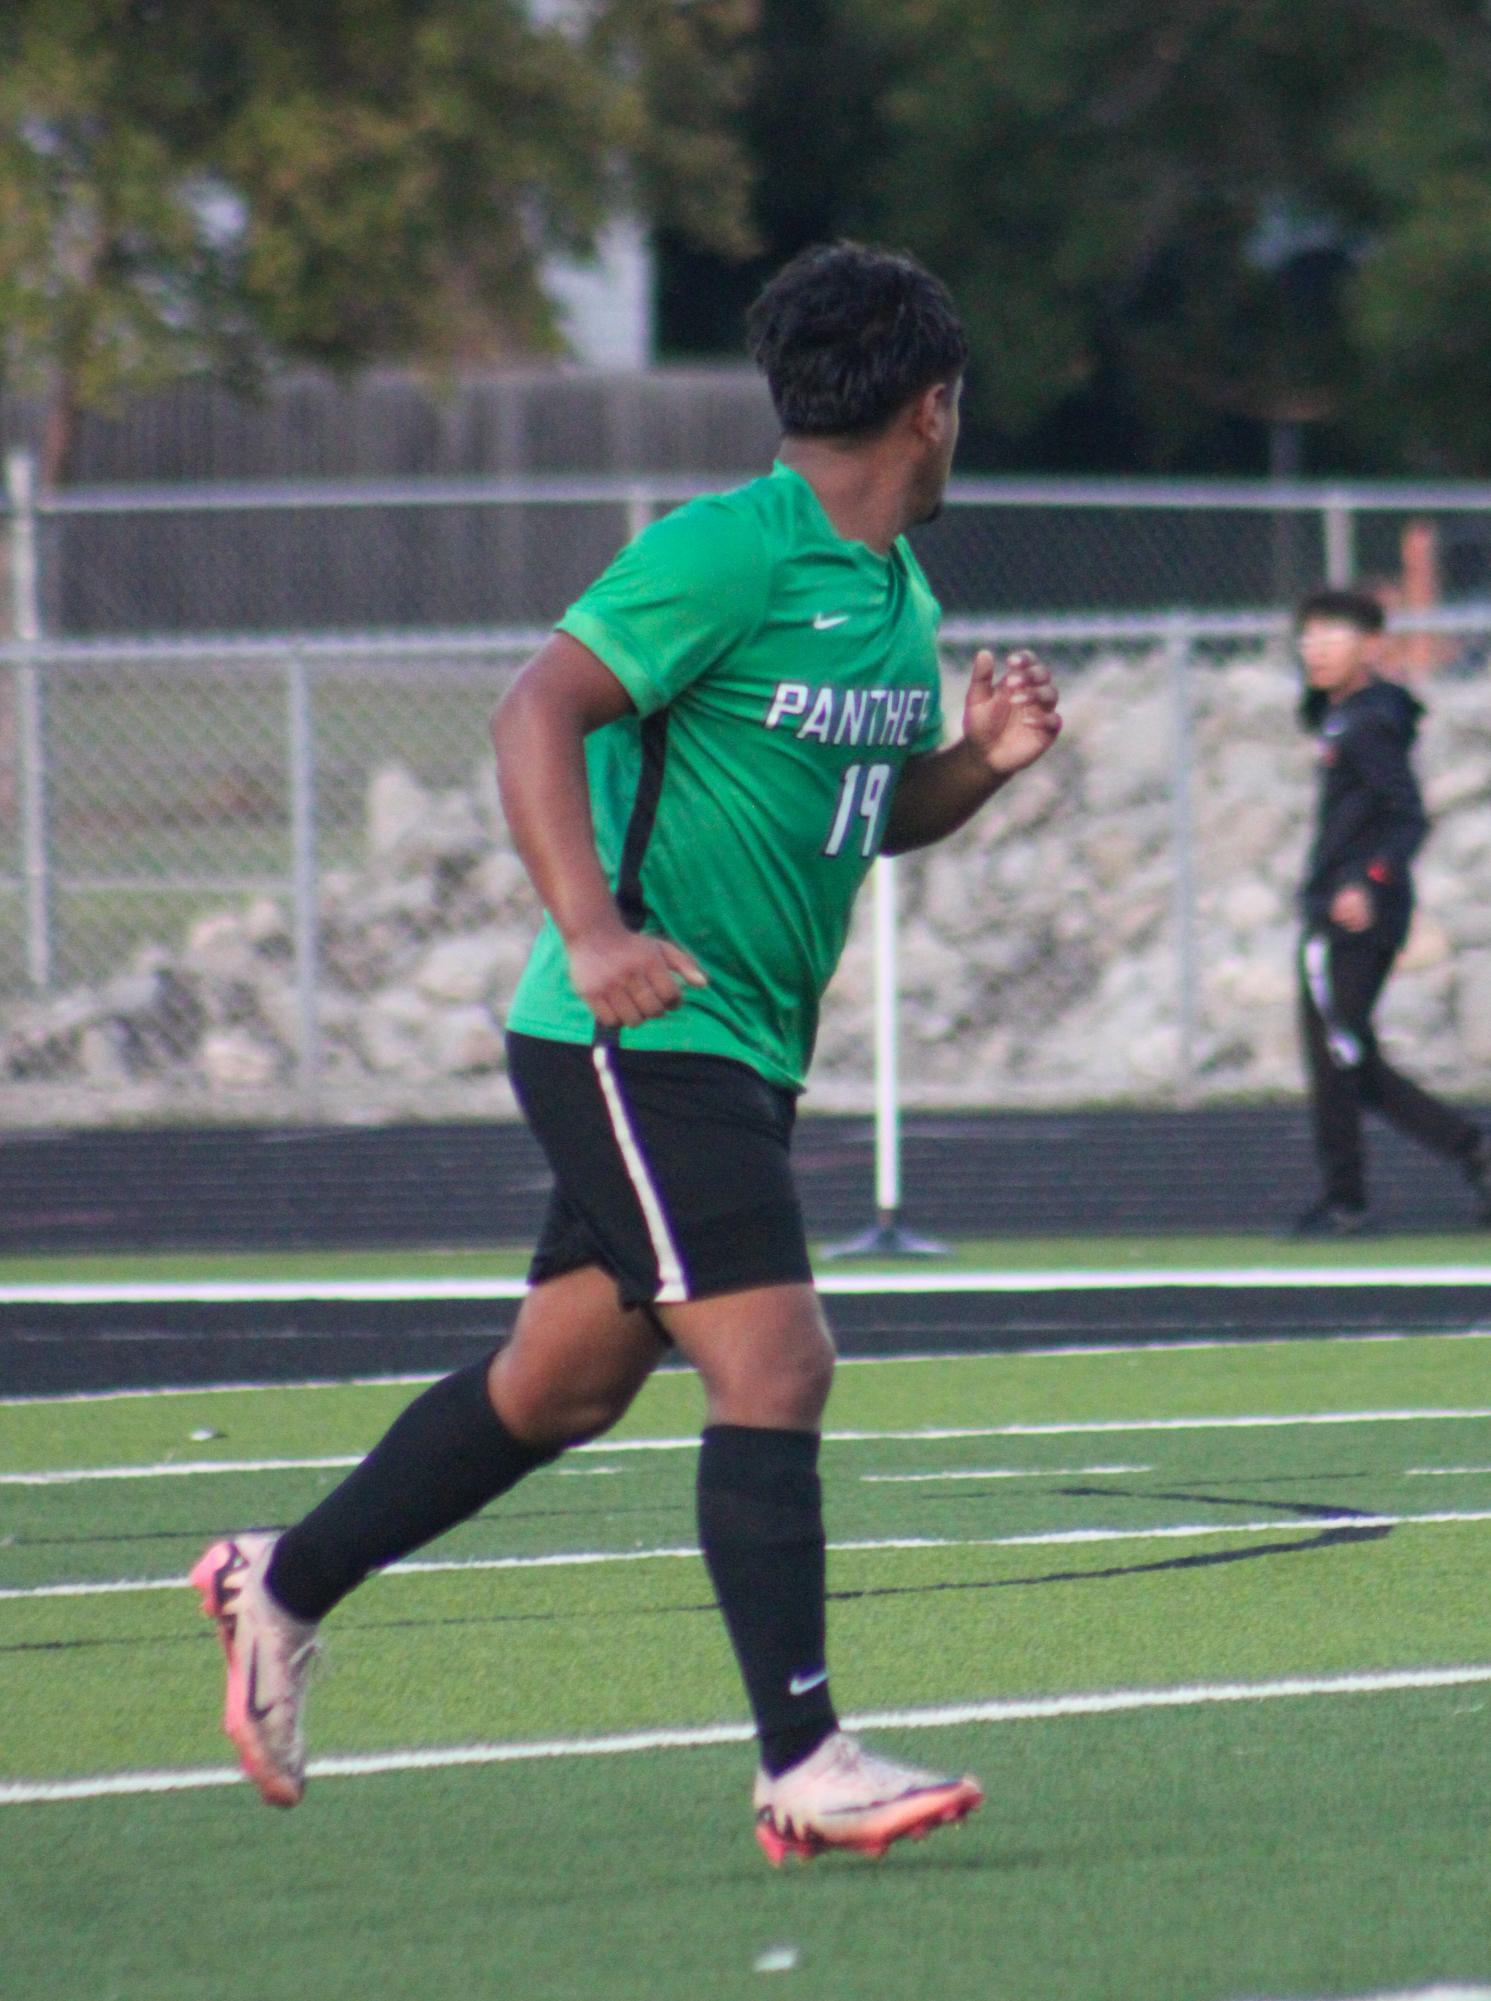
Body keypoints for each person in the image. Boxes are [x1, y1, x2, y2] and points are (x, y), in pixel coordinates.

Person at [192, 241, 1063, 1862]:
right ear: (934, 406)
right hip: (631, 1036)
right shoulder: (726, 551)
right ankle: (800, 1758)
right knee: (777, 1363)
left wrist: (982, 763)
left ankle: (277, 1579)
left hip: (732, 1056)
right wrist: (590, 932)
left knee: (564, 1385)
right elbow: (537, 707)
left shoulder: (895, 596)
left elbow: (865, 818)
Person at [1291, 588, 1489, 1235]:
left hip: (1353, 908)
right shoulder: (1349, 712)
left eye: (1331, 635)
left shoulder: (1367, 721)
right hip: (1351, 902)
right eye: (1308, 636)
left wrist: (1364, 881)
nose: (1314, 648)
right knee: (1344, 1051)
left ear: (1371, 645)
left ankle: (1348, 1197)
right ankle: (1466, 1151)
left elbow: (1405, 814)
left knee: (1338, 1052)